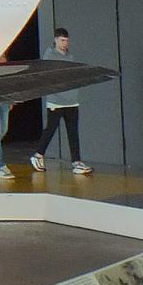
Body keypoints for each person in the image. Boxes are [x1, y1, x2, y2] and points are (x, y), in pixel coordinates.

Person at [30, 27, 92, 175]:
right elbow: (47, 78)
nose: (65, 43)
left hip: (71, 100)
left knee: (73, 132)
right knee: (50, 129)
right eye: (62, 40)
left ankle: (76, 162)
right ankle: (38, 155)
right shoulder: (49, 56)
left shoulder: (69, 56)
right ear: (56, 40)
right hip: (56, 101)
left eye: (66, 41)